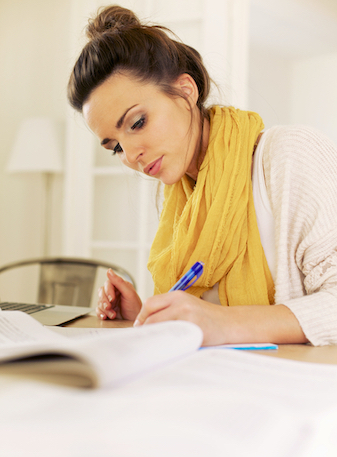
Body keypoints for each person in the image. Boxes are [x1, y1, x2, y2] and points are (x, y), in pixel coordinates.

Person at [67, 5, 337, 346]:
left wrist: (225, 323)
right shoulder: (182, 200)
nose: (131, 155)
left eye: (137, 123)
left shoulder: (289, 154)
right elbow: (206, 318)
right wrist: (146, 316)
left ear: (186, 91)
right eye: (115, 147)